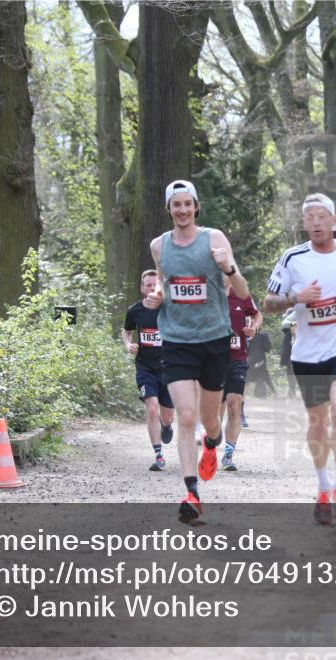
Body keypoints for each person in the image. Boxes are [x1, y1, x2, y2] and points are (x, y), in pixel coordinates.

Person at [264, 192, 336, 525]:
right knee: (317, 421)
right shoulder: (292, 258)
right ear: (303, 224)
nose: (315, 222)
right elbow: (267, 302)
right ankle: (323, 488)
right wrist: (295, 297)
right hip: (308, 354)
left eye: (320, 216)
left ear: (334, 220)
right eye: (309, 218)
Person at [144, 179, 250, 524]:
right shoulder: (159, 245)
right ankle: (191, 492)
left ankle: (213, 443)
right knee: (185, 416)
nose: (183, 210)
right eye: (176, 205)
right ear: (169, 209)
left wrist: (227, 268)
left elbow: (243, 290)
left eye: (188, 204)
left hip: (214, 340)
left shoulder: (214, 239)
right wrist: (156, 295)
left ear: (196, 206)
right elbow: (163, 279)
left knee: (209, 421)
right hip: (175, 339)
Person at [121, 270, 174, 471]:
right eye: (148, 285)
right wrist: (128, 345)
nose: (152, 288)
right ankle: (158, 455)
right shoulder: (135, 310)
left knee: (167, 416)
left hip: (169, 369)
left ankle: (167, 426)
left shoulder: (170, 309)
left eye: (155, 284)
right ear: (142, 288)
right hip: (145, 368)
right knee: (152, 408)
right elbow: (126, 331)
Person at [219, 276, 261, 471]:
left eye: (225, 272)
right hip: (212, 360)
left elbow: (257, 315)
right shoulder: (207, 296)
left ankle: (228, 454)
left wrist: (253, 328)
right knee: (214, 411)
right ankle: (211, 443)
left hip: (237, 358)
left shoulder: (242, 295)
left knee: (234, 404)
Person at [246, 330, 275, 397]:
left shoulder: (245, 334)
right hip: (260, 359)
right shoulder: (263, 335)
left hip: (250, 360)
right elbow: (267, 348)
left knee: (247, 378)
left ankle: (244, 394)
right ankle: (274, 392)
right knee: (265, 376)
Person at [279, 309, 298, 398]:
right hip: (290, 349)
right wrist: (294, 324)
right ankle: (292, 390)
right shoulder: (288, 324)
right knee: (289, 369)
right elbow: (284, 324)